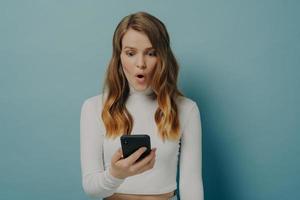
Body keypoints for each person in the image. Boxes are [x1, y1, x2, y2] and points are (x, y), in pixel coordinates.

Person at [80, 11, 204, 200]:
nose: (141, 64)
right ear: (119, 57)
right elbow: (91, 188)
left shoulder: (187, 109)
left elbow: (191, 184)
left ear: (162, 57)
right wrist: (116, 174)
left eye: (151, 53)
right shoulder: (93, 107)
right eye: (130, 53)